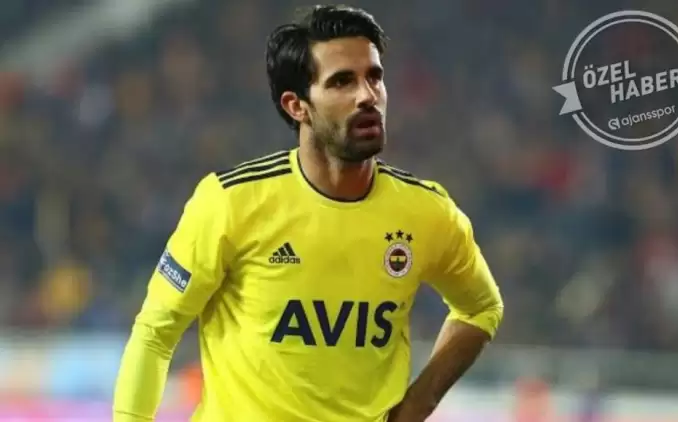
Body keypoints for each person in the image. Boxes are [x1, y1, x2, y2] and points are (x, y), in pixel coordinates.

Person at [112, 5, 504, 422]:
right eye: (342, 82)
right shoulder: (231, 203)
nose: (367, 96)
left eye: (374, 77)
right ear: (297, 105)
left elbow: (482, 307)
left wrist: (416, 406)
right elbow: (156, 332)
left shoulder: (427, 213)